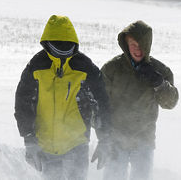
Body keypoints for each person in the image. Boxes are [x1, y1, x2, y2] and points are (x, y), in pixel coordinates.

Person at [15, 15, 111, 180]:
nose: (63, 52)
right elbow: (23, 103)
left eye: (67, 47)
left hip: (77, 145)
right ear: (47, 43)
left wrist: (105, 138)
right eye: (58, 47)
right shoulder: (36, 66)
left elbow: (102, 103)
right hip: (45, 146)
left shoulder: (85, 68)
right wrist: (29, 138)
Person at [92, 20, 178, 180]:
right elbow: (97, 106)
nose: (137, 49)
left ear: (148, 44)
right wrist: (103, 138)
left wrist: (159, 84)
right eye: (132, 44)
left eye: (141, 45)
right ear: (125, 43)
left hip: (144, 142)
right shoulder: (111, 69)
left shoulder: (160, 71)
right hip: (115, 142)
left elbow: (171, 103)